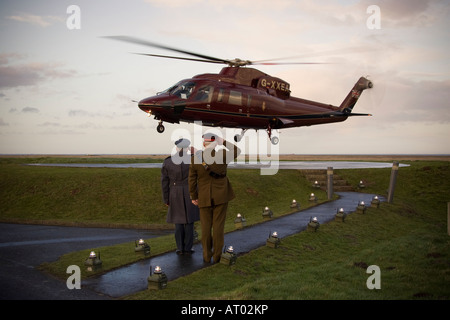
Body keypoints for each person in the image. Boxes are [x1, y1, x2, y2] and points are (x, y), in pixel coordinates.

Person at [189, 133, 241, 263]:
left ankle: (206, 256)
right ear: (215, 143)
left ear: (203, 144)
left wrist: (194, 196)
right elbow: (236, 150)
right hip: (221, 196)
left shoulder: (196, 158)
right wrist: (223, 141)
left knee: (205, 228)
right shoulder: (222, 155)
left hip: (204, 197)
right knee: (218, 227)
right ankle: (217, 256)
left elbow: (192, 180)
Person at [161, 138, 199, 255]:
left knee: (178, 222)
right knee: (189, 221)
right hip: (190, 191)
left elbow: (164, 183)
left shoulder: (168, 162)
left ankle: (180, 248)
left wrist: (166, 199)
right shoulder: (193, 159)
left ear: (176, 147)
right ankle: (188, 248)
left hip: (174, 192)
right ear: (187, 148)